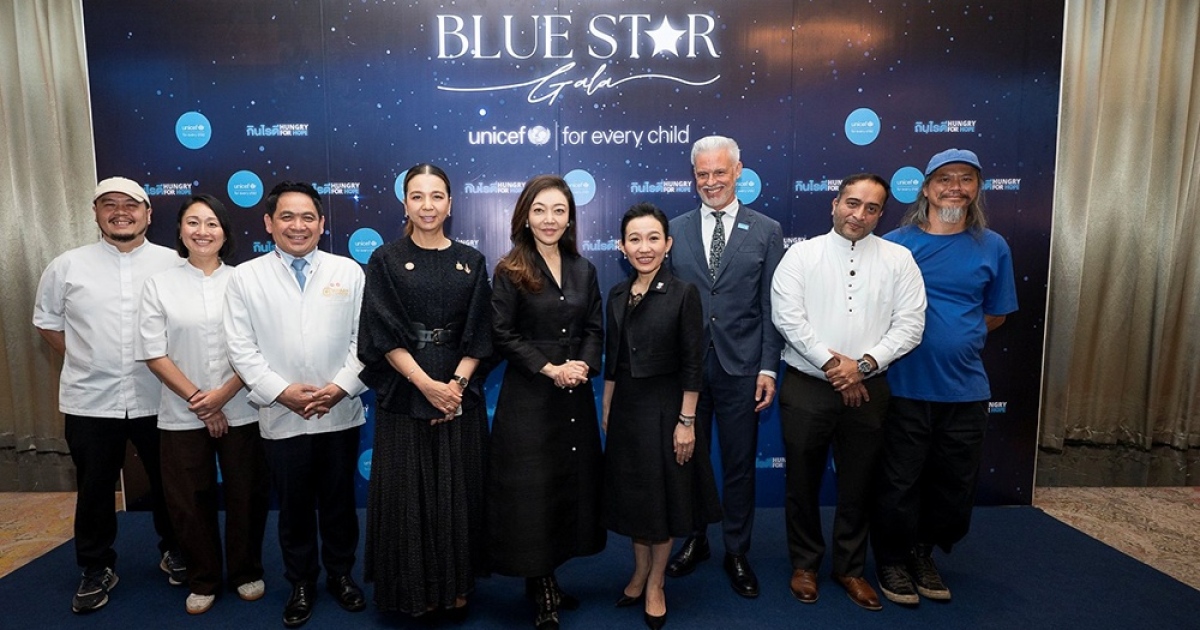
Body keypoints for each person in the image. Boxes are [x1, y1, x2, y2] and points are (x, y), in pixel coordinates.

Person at [770, 174, 926, 611]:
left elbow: (911, 323)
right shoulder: (801, 255)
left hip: (870, 389)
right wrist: (835, 366)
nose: (859, 214)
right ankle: (805, 564)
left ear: (881, 214)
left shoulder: (899, 259)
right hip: (807, 387)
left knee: (859, 483)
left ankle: (850, 568)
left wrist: (864, 365)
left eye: (871, 208)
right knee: (802, 482)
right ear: (835, 204)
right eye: (852, 203)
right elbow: (787, 316)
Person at [873, 149, 1018, 606]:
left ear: (978, 188)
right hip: (904, 387)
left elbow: (996, 314)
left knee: (952, 484)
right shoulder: (896, 245)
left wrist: (956, 335)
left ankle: (923, 554)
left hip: (965, 390)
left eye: (965, 179)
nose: (955, 187)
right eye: (945, 179)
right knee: (899, 481)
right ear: (926, 188)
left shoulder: (993, 247)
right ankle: (892, 560)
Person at [33, 176, 185, 614]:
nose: (121, 212)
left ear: (148, 214)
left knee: (170, 483)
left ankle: (176, 550)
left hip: (161, 396)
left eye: (130, 205)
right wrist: (86, 358)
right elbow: (47, 322)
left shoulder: (174, 264)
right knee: (95, 488)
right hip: (91, 399)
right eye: (109, 205)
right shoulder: (67, 266)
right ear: (96, 213)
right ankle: (96, 566)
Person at [223, 181, 369, 628]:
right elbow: (240, 348)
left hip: (338, 411)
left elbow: (364, 341)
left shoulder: (348, 271)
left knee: (340, 503)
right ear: (269, 223)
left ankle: (341, 575)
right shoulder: (245, 277)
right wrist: (281, 391)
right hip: (281, 414)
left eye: (308, 217)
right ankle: (301, 582)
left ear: (322, 224)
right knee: (293, 508)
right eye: (287, 216)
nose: (298, 225)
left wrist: (340, 387)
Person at [357, 163, 493, 618]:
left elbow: (482, 332)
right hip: (405, 389)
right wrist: (426, 386)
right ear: (405, 204)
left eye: (437, 196)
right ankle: (412, 590)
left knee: (457, 491)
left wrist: (455, 387)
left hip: (459, 392)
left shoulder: (472, 260)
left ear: (450, 204)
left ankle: (455, 586)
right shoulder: (386, 259)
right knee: (408, 495)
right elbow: (380, 333)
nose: (427, 206)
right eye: (417, 196)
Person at [136, 194, 270, 615]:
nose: (202, 231)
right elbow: (153, 352)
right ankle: (202, 578)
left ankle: (246, 572)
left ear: (225, 232)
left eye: (212, 223)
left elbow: (260, 347)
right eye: (193, 222)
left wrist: (222, 397)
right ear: (179, 230)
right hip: (182, 412)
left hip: (242, 406)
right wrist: (202, 402)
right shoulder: (159, 284)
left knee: (246, 494)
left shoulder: (245, 280)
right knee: (188, 500)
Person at [665, 135, 785, 599]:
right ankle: (696, 539)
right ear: (693, 176)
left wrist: (768, 368)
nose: (711, 181)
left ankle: (737, 550)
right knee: (690, 461)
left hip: (742, 369)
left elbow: (772, 307)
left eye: (720, 172)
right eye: (703, 173)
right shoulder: (673, 229)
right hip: (687, 372)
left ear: (738, 171)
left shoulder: (766, 230)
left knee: (739, 465)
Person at [488, 175, 605, 630]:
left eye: (559, 210)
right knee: (532, 494)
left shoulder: (583, 269)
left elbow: (594, 328)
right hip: (530, 398)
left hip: (574, 398)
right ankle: (539, 586)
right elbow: (502, 334)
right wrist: (550, 368)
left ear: (570, 217)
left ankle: (549, 576)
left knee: (565, 488)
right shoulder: (510, 269)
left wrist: (583, 366)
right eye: (540, 210)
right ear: (525, 216)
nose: (549, 219)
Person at [603, 203, 721, 630]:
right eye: (634, 239)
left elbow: (693, 364)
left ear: (668, 244)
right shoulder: (617, 294)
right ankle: (638, 573)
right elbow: (613, 360)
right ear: (622, 247)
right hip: (627, 412)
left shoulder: (683, 293)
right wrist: (607, 408)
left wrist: (686, 422)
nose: (644, 247)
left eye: (653, 238)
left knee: (662, 502)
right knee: (637, 501)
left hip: (668, 410)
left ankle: (656, 583)